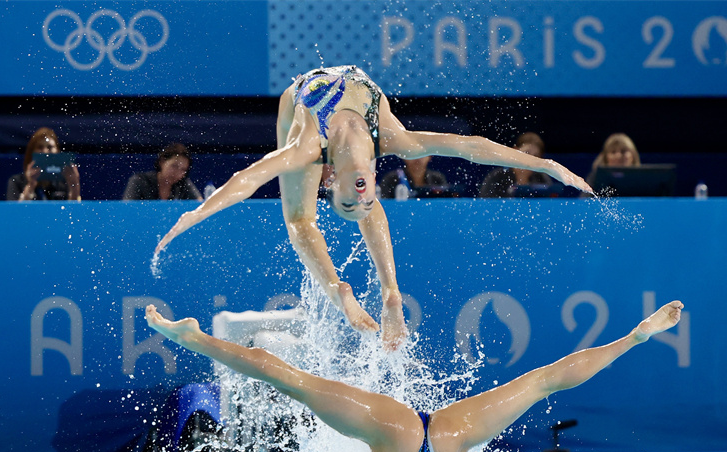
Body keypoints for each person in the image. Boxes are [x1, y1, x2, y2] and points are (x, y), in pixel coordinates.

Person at [145, 299, 684, 452]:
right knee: (541, 381)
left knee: (297, 383)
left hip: (414, 448)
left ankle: (196, 337)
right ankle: (634, 337)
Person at [153, 66, 592, 351]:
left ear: (331, 179)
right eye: (359, 197)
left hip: (317, 98)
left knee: (299, 218)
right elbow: (469, 148)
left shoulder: (311, 146)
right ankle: (383, 292)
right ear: (331, 178)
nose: (361, 192)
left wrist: (546, 164)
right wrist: (192, 215)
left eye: (353, 197)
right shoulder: (380, 140)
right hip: (312, 98)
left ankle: (367, 291)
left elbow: (246, 181)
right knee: (301, 216)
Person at [6, 127, 81, 201]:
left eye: (50, 147)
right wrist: (30, 185)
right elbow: (15, 211)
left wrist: (74, 186)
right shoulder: (16, 181)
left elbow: (73, 211)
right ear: (31, 152)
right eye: (40, 147)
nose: (45, 152)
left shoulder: (65, 182)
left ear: (57, 151)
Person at [478, 132, 553, 198]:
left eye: (535, 156)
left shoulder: (542, 179)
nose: (530, 159)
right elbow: (485, 205)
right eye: (527, 153)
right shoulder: (497, 177)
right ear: (515, 151)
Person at [123, 143, 203, 201]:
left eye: (183, 169)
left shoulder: (184, 184)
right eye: (174, 166)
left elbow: (199, 207)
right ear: (162, 162)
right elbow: (128, 209)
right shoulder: (139, 181)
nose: (177, 172)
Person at [378, 156, 448, 198]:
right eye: (412, 153)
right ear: (403, 156)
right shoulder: (391, 179)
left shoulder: (438, 179)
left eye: (422, 154)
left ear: (429, 156)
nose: (417, 158)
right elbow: (384, 203)